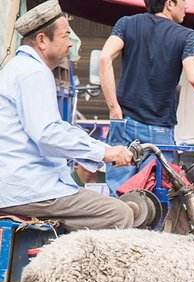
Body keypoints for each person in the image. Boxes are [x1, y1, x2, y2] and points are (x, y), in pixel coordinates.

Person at [0, 0, 133, 230]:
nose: (70, 44)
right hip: (30, 189)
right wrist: (104, 152)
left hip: (22, 186)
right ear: (42, 40)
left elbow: (54, 128)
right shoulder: (33, 73)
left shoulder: (18, 68)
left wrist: (97, 149)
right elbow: (48, 134)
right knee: (119, 214)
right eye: (65, 36)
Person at [99, 0, 194, 195]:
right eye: (183, 1)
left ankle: (119, 225)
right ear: (169, 3)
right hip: (159, 131)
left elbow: (104, 57)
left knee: (118, 196)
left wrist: (113, 108)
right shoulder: (186, 36)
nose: (187, 6)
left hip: (123, 123)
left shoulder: (126, 23)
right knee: (155, 198)